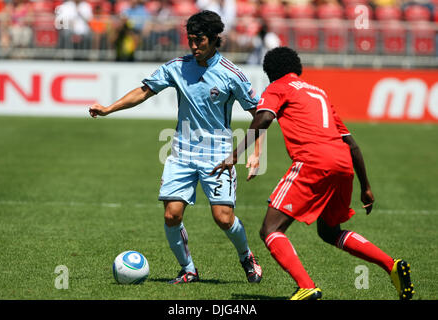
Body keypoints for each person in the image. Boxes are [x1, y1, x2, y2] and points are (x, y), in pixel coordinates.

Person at [212, 47, 415, 300]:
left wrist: (235, 155)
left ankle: (306, 286)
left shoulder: (277, 87)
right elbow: (351, 143)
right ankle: (391, 265)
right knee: (329, 231)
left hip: (313, 161)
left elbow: (263, 118)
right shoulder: (319, 92)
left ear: (270, 72)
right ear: (298, 67)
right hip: (342, 164)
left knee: (270, 229)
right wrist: (366, 187)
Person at [88, 10, 263, 284]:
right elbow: (144, 90)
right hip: (181, 153)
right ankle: (188, 269)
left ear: (215, 39)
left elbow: (260, 113)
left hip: (218, 156)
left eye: (200, 40)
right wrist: (109, 108)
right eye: (190, 40)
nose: (194, 46)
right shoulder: (177, 67)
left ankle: (246, 256)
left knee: (224, 218)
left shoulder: (232, 74)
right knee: (172, 215)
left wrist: (256, 153)